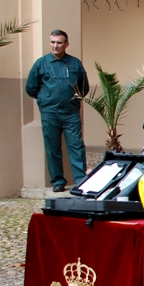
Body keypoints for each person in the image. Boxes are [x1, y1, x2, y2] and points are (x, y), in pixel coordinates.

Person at [25, 30, 90, 192]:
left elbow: (84, 87)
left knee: (76, 146)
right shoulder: (41, 63)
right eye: (53, 42)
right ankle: (58, 181)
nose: (55, 45)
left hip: (71, 113)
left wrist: (74, 100)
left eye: (59, 42)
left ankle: (81, 181)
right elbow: (31, 87)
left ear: (66, 44)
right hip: (50, 113)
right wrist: (44, 100)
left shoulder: (75, 63)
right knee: (52, 147)